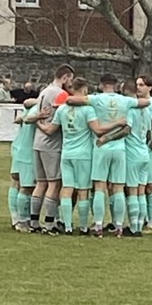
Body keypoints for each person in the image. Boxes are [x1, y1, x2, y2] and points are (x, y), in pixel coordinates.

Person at [37, 78, 126, 235]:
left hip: (67, 153)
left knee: (67, 188)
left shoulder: (62, 109)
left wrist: (36, 122)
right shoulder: (88, 110)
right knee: (83, 190)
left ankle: (68, 226)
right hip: (83, 154)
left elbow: (50, 130)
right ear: (84, 89)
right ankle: (84, 227)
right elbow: (98, 130)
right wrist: (117, 123)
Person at [67, 74, 150, 238]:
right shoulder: (124, 101)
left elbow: (71, 100)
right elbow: (145, 102)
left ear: (101, 85)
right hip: (120, 149)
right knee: (118, 187)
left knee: (100, 187)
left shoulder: (96, 99)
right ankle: (119, 226)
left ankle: (98, 225)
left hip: (101, 146)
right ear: (115, 85)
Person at [30, 64, 75, 235]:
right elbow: (60, 119)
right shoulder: (59, 94)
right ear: (65, 77)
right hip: (51, 143)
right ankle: (49, 223)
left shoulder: (44, 90)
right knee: (54, 183)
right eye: (69, 80)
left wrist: (37, 122)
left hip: (38, 142)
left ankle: (34, 221)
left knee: (40, 183)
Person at [8, 98, 44, 233]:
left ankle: (16, 218)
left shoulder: (33, 106)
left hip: (19, 147)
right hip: (27, 151)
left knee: (16, 182)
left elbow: (25, 107)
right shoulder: (39, 109)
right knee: (26, 186)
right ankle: (23, 221)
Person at [121, 79, 150, 237]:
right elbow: (149, 132)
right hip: (144, 152)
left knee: (132, 191)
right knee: (141, 191)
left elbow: (127, 129)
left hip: (132, 153)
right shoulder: (145, 110)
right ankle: (139, 225)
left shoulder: (130, 109)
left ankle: (134, 228)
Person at [137, 74, 152, 234]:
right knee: (140, 186)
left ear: (149, 88)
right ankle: (143, 219)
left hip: (148, 149)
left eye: (141, 85)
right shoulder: (136, 103)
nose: (138, 87)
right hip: (138, 149)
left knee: (150, 186)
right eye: (137, 84)